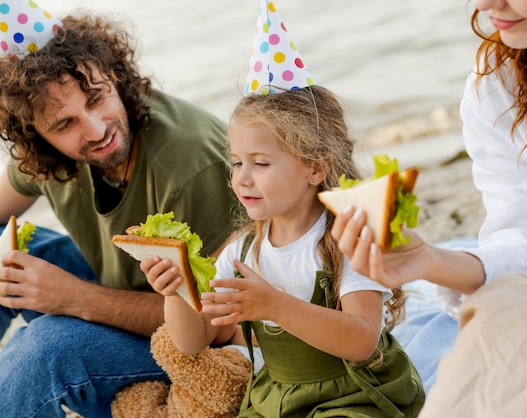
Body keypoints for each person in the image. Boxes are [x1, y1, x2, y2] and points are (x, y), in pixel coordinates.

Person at [0, 1, 239, 417]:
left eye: (97, 99)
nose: (97, 130)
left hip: (187, 345)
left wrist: (74, 298)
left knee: (50, 344)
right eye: (65, 125)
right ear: (37, 136)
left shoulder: (189, 163)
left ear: (116, 78)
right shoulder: (54, 159)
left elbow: (219, 325)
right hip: (122, 296)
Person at [142, 83, 425, 417]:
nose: (241, 179)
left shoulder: (347, 237)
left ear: (315, 168)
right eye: (236, 163)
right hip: (277, 399)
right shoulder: (242, 252)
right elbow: (194, 341)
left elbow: (362, 340)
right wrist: (175, 294)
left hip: (353, 393)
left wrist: (275, 306)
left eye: (260, 164)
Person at [332, 0, 527, 415]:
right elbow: (521, 236)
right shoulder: (498, 83)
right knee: (498, 310)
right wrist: (429, 260)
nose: (486, 5)